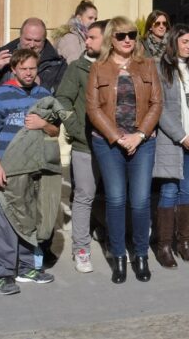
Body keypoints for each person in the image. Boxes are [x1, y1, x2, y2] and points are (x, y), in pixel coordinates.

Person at [86, 16, 163, 283]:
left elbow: (156, 103)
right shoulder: (99, 68)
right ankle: (118, 256)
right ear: (111, 39)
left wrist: (139, 135)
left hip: (143, 142)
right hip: (109, 143)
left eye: (131, 34)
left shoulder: (148, 65)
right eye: (121, 36)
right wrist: (118, 137)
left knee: (140, 201)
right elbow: (93, 109)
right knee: (117, 200)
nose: (128, 39)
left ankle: (141, 255)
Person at [0, 49, 56, 295]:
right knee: (4, 221)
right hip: (8, 169)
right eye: (23, 68)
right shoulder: (1, 94)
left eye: (32, 68)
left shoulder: (43, 94)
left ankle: (27, 267)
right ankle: (1, 274)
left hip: (35, 168)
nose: (28, 73)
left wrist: (44, 124)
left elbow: (55, 131)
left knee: (29, 218)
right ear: (13, 69)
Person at [153, 24, 189, 268]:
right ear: (174, 42)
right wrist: (181, 136)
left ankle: (184, 243)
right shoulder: (161, 67)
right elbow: (159, 107)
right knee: (169, 191)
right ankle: (164, 246)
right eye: (185, 42)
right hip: (172, 141)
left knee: (185, 190)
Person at [54, 19, 107, 273]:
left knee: (113, 198)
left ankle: (113, 241)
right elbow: (62, 100)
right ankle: (81, 249)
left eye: (92, 37)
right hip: (85, 145)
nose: (85, 41)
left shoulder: (116, 67)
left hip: (113, 146)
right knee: (84, 197)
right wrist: (75, 129)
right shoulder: (77, 68)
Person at [0, 17, 68, 93]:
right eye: (28, 39)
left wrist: (41, 85)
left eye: (37, 41)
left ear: (44, 40)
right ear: (20, 37)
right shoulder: (3, 56)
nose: (31, 45)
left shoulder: (57, 64)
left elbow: (61, 95)